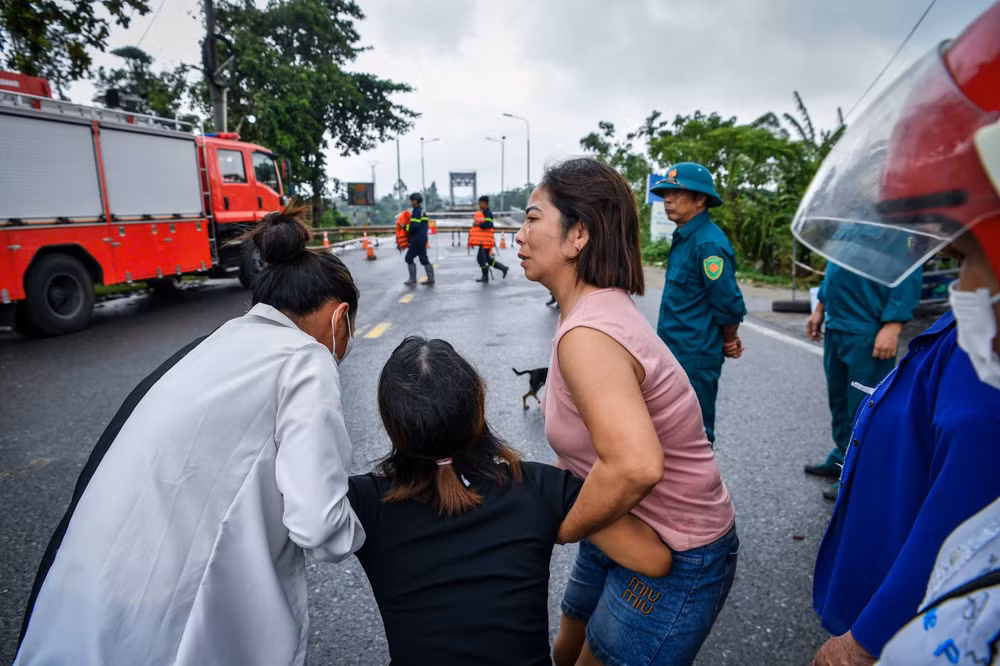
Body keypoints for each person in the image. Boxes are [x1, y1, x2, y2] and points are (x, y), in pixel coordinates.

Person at [14, 202, 366, 666]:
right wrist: (373, 524)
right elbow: (321, 528)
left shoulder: (216, 343)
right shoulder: (304, 358)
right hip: (166, 611)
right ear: (340, 318)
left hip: (81, 592)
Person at [790, 5, 1000, 663]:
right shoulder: (973, 338)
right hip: (842, 323)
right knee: (844, 406)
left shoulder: (988, 378)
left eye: (967, 260)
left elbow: (959, 524)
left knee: (858, 393)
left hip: (908, 628)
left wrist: (866, 638)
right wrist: (822, 304)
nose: (957, 288)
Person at [516, 157, 739, 666]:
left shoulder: (589, 335)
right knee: (566, 648)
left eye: (532, 218)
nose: (519, 234)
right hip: (618, 521)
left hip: (677, 547)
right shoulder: (594, 310)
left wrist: (559, 526)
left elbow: (636, 466)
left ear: (578, 237)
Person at [346, 336, 673, 665]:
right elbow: (653, 558)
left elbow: (302, 502)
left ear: (391, 424)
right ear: (477, 409)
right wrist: (555, 526)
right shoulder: (537, 485)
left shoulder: (364, 501)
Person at [804, 259, 923, 501]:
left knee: (865, 406)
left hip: (868, 326)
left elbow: (908, 270)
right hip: (837, 324)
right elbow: (834, 266)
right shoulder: (848, 224)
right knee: (839, 401)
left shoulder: (897, 228)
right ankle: (841, 458)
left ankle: (861, 473)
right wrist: (819, 309)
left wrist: (893, 324)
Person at [651, 163, 747, 445]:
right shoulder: (684, 237)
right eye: (666, 193)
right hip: (673, 350)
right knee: (670, 427)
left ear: (700, 199)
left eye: (677, 193)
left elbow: (727, 302)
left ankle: (704, 489)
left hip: (695, 354)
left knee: (697, 431)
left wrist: (730, 338)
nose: (668, 199)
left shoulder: (708, 245)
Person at [470, 195, 509, 282]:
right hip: (484, 240)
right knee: (487, 259)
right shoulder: (484, 212)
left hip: (485, 241)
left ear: (485, 203)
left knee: (481, 259)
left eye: (480, 203)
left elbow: (489, 225)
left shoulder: (488, 213)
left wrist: (478, 225)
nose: (479, 205)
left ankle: (485, 276)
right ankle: (503, 268)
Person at [404, 192, 434, 286]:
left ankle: (413, 279)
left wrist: (405, 227)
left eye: (412, 200)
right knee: (423, 258)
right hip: (422, 238)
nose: (411, 202)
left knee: (408, 258)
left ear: (415, 201)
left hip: (417, 239)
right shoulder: (422, 211)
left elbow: (415, 226)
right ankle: (430, 278)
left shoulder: (416, 211)